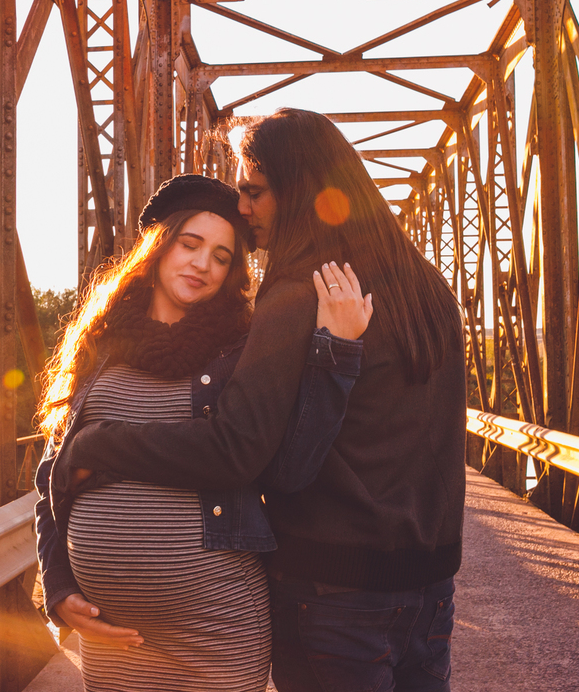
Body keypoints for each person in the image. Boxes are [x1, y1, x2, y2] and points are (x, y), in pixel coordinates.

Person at [57, 109, 467, 692]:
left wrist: (99, 443)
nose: (242, 208)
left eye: (253, 191)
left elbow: (245, 451)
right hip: (429, 588)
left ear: (296, 187)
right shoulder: (427, 289)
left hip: (334, 590)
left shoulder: (301, 290)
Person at [33, 173, 371, 691]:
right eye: (190, 245)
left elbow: (283, 459)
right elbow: (52, 480)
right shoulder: (98, 347)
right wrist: (57, 586)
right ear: (158, 247)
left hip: (217, 621)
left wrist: (337, 350)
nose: (202, 264)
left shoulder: (242, 350)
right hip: (115, 634)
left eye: (221, 256)